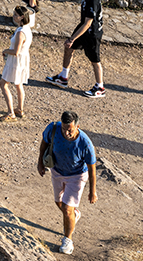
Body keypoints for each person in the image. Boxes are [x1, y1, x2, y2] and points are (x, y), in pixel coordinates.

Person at [38, 109, 98, 255]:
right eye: (64, 129)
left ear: (77, 126)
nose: (66, 133)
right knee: (58, 202)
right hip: (57, 172)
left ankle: (68, 240)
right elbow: (44, 144)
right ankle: (74, 214)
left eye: (70, 130)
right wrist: (40, 162)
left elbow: (92, 169)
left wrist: (92, 191)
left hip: (77, 176)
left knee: (66, 208)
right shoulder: (53, 129)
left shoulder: (85, 143)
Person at [47, 0, 107, 98]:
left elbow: (88, 23)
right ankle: (63, 77)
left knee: (95, 60)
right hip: (83, 28)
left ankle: (100, 87)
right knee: (68, 47)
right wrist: (72, 40)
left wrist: (73, 38)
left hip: (92, 33)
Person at [1, 4, 35, 120]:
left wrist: (5, 50)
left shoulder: (21, 32)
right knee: (18, 84)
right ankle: (20, 109)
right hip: (23, 60)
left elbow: (16, 51)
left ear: (21, 17)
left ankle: (11, 113)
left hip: (16, 61)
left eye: (16, 15)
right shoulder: (27, 29)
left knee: (3, 84)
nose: (14, 17)